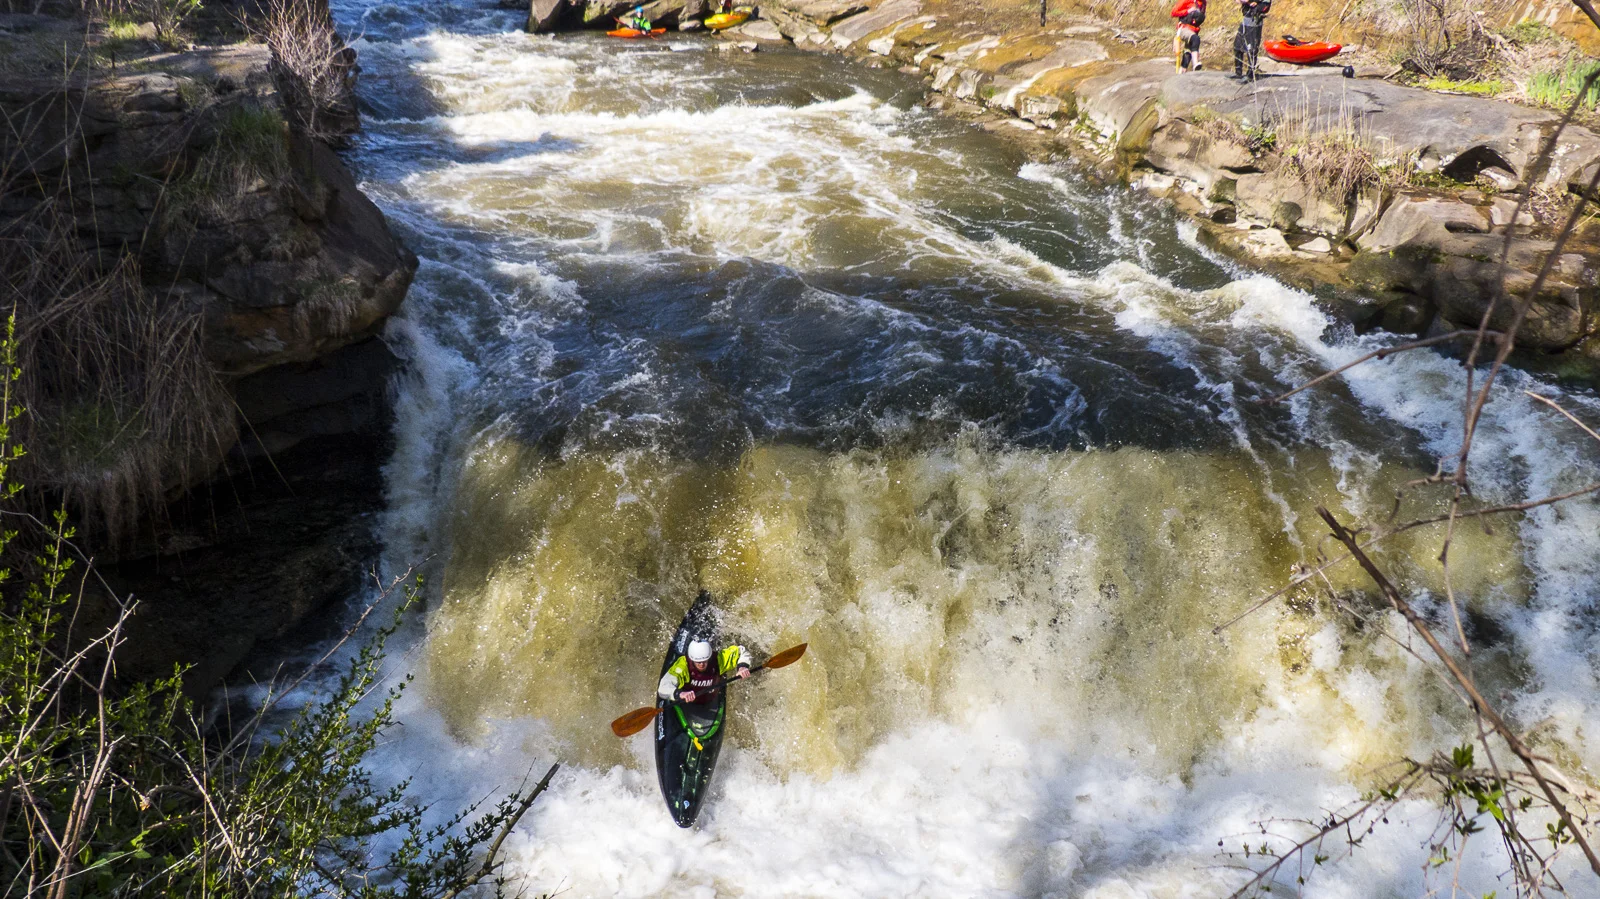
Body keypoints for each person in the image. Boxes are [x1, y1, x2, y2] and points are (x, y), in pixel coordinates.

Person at [658, 638, 750, 704]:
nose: (701, 664)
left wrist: (742, 667)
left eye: (705, 661)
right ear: (692, 659)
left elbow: (741, 651)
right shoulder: (683, 666)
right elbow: (663, 687)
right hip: (686, 702)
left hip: (710, 700)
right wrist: (680, 694)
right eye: (698, 662)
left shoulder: (718, 660)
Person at [1232, 0, 1271, 81]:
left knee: (1252, 49)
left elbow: (1265, 5)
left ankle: (1250, 75)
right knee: (1237, 46)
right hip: (1247, 17)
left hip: (1255, 20)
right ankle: (1238, 73)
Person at [1171, 0, 1207, 72]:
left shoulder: (1203, 3)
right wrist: (1187, 11)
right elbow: (1173, 13)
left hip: (1194, 30)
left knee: (1188, 52)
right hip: (1183, 28)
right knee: (1195, 39)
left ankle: (1182, 71)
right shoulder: (1186, 1)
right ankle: (1195, 63)